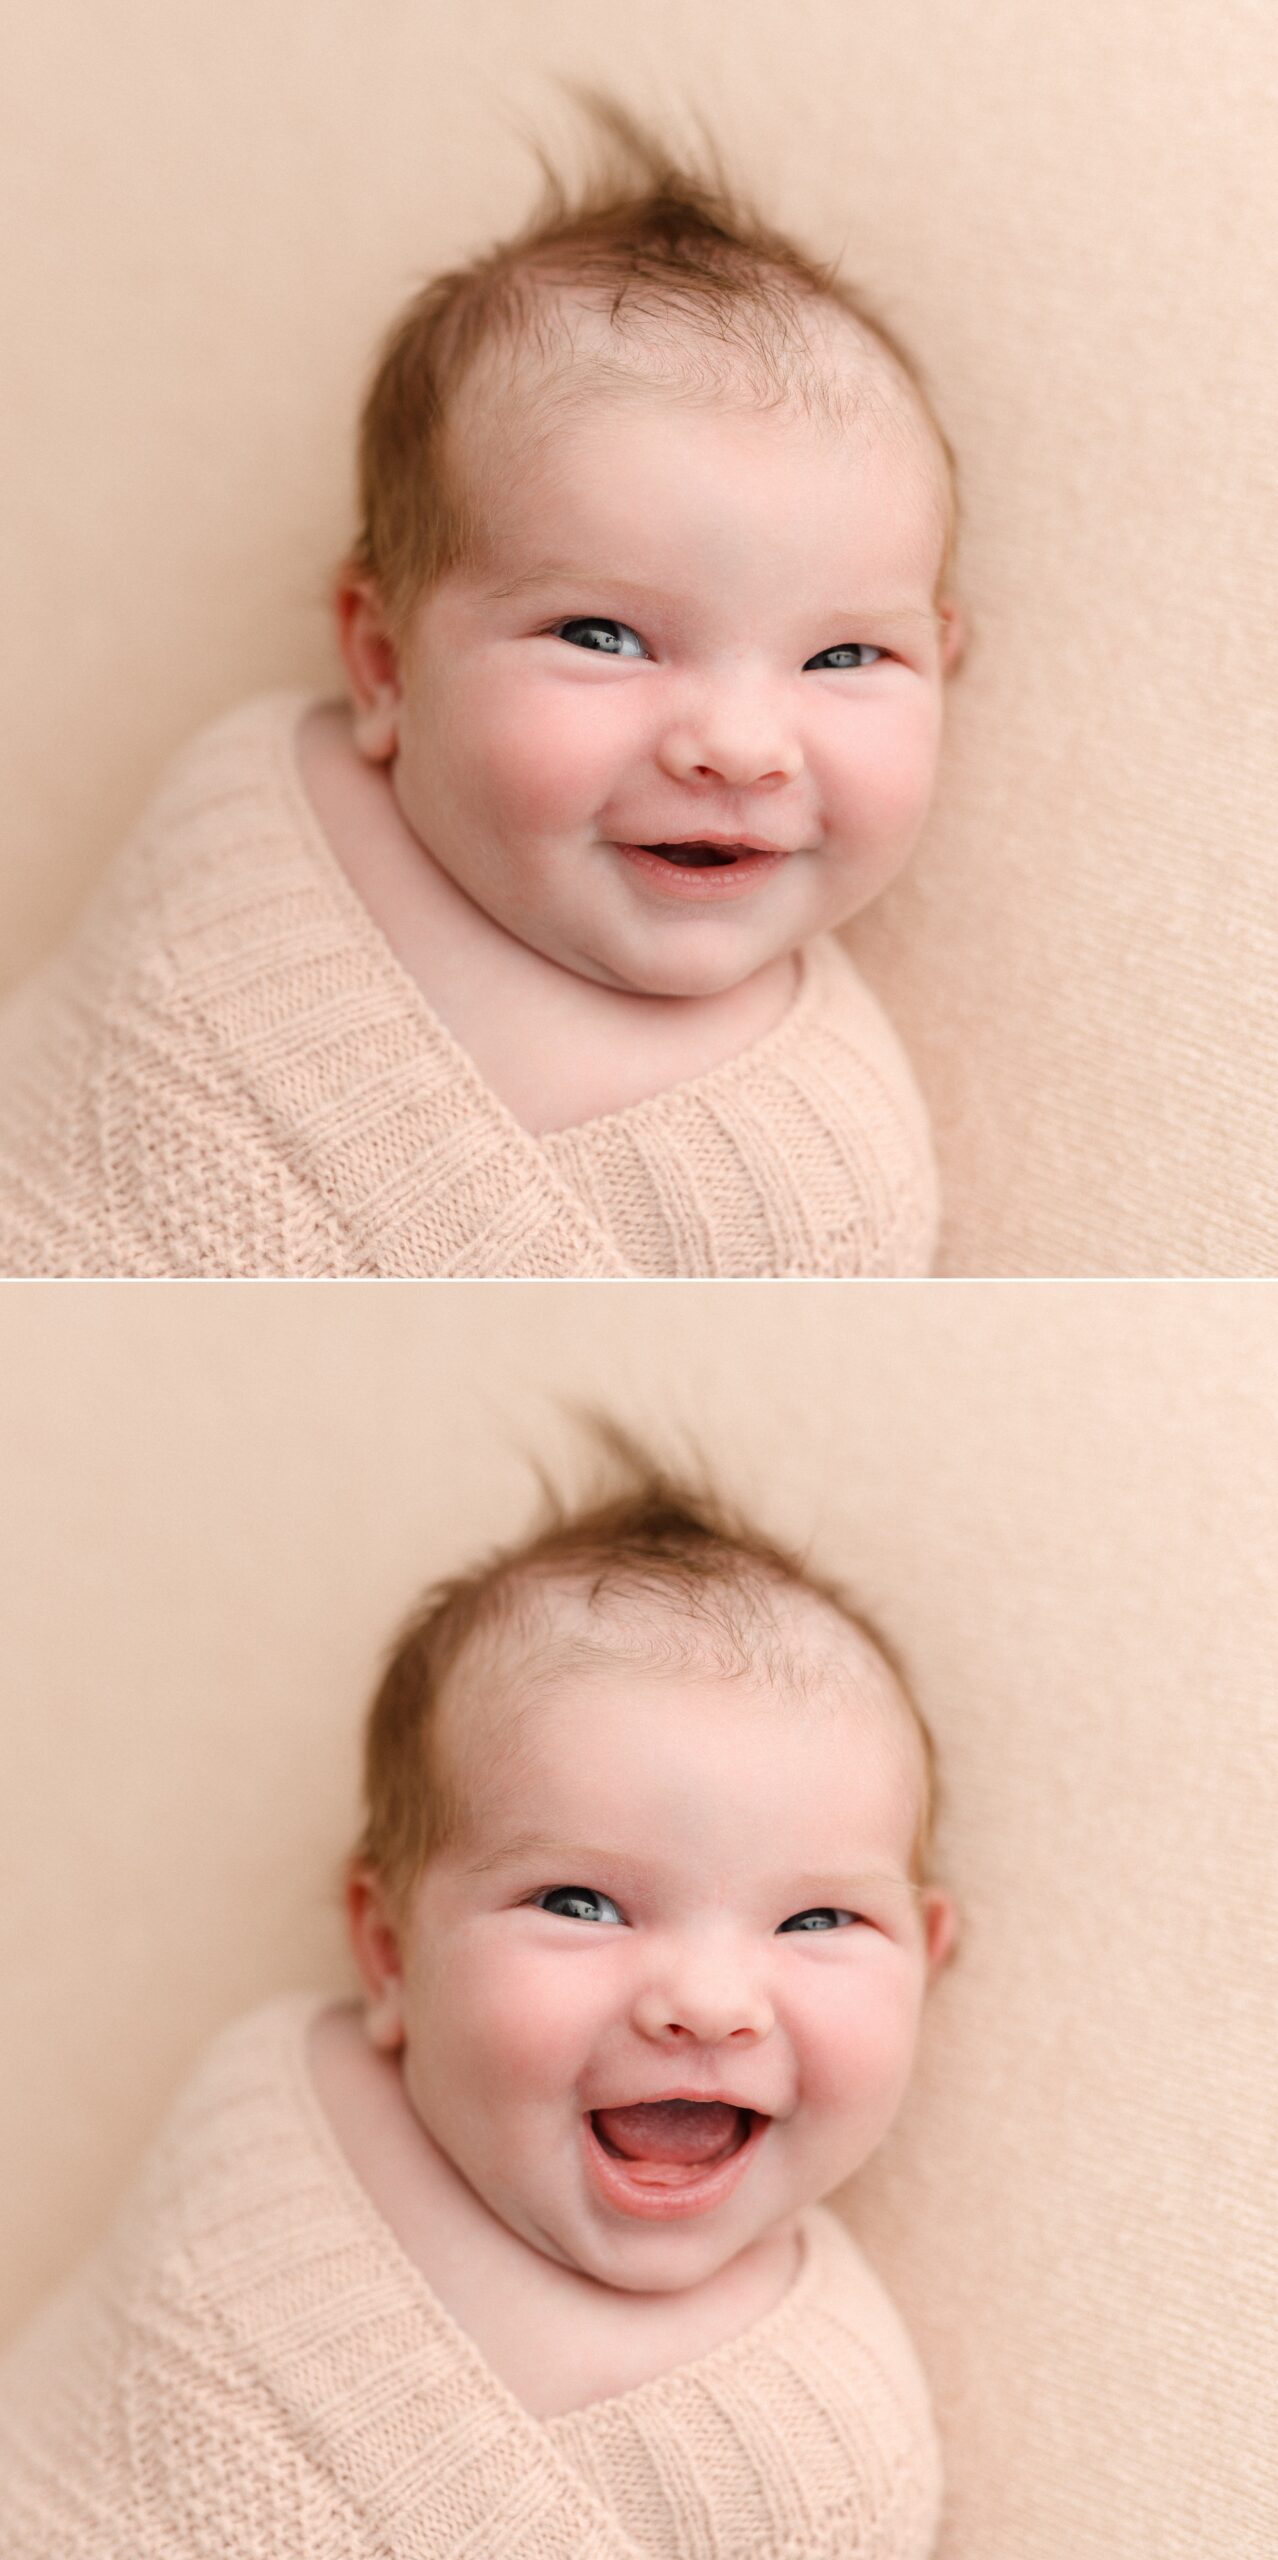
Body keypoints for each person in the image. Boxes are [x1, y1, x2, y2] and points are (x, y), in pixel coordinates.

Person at [0, 99, 965, 1277]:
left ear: (946, 658)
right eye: (606, 636)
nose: (740, 745)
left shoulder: (823, 1170)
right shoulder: (245, 799)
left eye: (844, 658)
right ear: (384, 662)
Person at [0, 1432, 958, 2557]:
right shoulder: (274, 2103)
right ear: (389, 1951)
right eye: (581, 1902)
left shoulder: (829, 2438)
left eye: (816, 1921)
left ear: (926, 1956)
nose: (706, 2001)